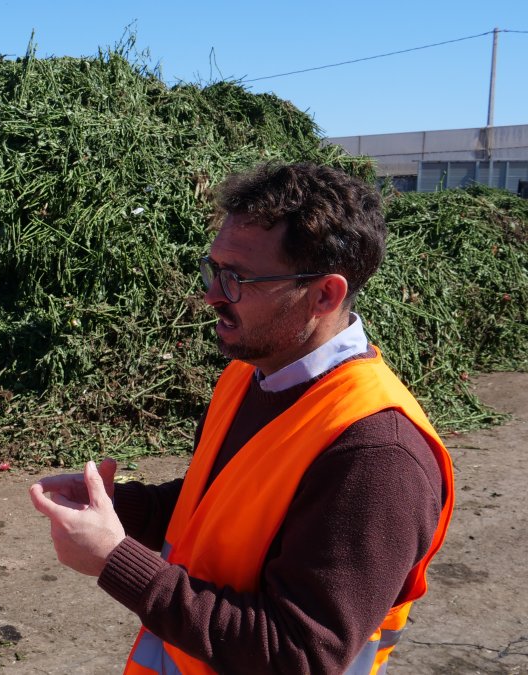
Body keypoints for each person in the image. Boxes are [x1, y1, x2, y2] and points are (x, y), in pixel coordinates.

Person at [29, 162, 454, 674]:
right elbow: (225, 504)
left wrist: (115, 561)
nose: (211, 295)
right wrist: (123, 508)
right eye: (213, 270)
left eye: (238, 280)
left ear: (325, 294)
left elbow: (299, 653)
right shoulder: (252, 374)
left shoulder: (378, 455)